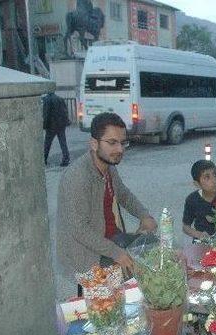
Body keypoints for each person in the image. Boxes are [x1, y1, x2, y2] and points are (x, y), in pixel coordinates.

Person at [56, 112, 157, 294]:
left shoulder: (108, 166)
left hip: (112, 239)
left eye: (122, 142)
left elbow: (124, 194)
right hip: (88, 254)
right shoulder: (77, 177)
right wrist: (117, 253)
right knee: (135, 285)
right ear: (94, 143)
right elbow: (78, 229)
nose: (120, 149)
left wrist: (144, 215)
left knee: (156, 249)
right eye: (112, 143)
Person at [182, 160, 216, 240]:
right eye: (207, 177)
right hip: (202, 243)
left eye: (215, 174)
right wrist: (199, 234)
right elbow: (186, 227)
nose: (214, 180)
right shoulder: (192, 200)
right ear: (197, 184)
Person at [43, 91, 71, 167]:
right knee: (63, 143)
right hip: (61, 124)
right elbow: (65, 112)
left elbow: (46, 114)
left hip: (51, 125)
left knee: (47, 144)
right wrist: (66, 121)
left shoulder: (46, 100)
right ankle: (66, 159)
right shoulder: (60, 99)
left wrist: (44, 125)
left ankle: (44, 159)